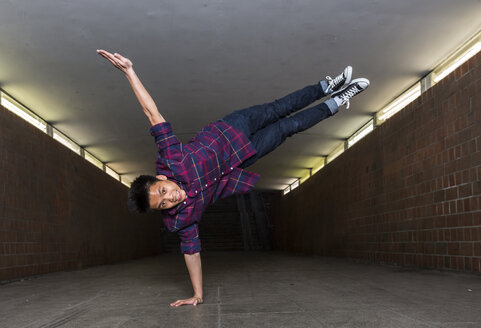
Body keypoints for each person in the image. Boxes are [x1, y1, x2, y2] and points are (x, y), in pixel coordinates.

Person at [97, 49, 369, 307]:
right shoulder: (181, 219)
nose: (171, 197)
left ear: (160, 177)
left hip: (233, 126)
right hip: (244, 155)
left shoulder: (170, 158)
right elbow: (191, 252)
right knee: (290, 127)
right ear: (163, 212)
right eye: (164, 204)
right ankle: (336, 102)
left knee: (278, 109)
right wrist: (197, 295)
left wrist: (129, 72)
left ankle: (327, 86)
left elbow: (151, 114)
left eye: (164, 190)